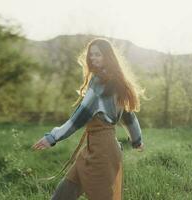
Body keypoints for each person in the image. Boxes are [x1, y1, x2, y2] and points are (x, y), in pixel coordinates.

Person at [31, 37, 146, 200]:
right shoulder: (116, 81)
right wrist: (137, 140)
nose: (93, 58)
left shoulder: (100, 83)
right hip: (95, 149)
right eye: (91, 55)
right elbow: (129, 117)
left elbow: (78, 118)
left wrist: (52, 137)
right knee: (63, 193)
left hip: (102, 153)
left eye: (98, 54)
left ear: (108, 56)